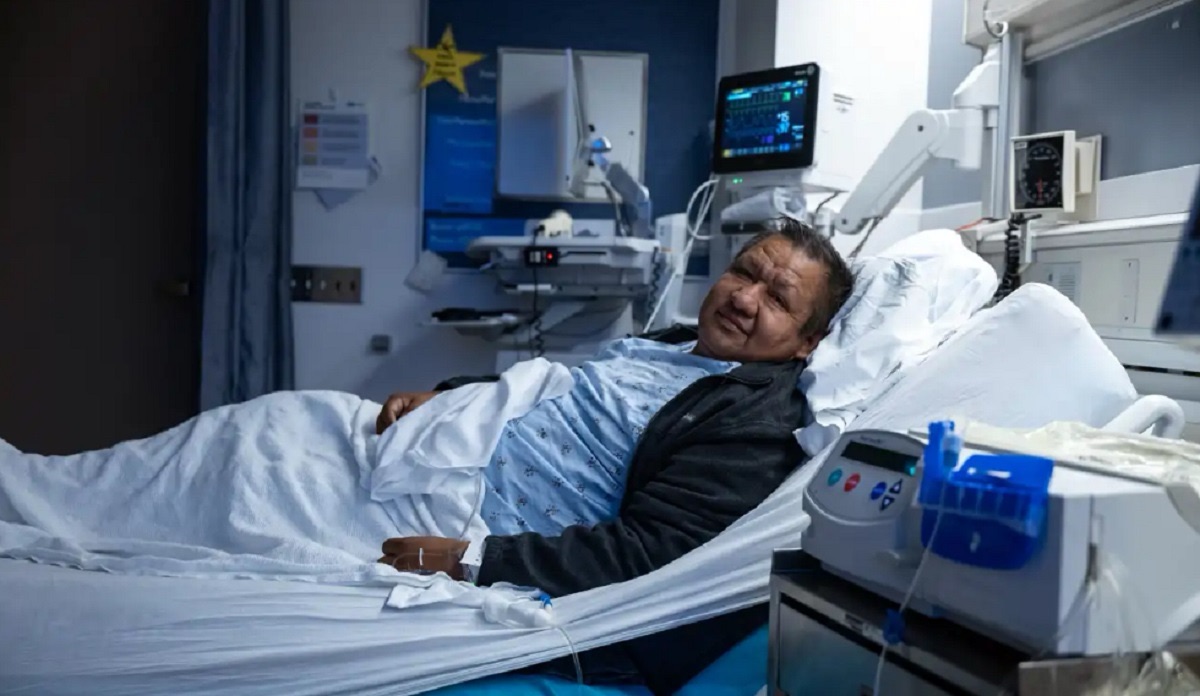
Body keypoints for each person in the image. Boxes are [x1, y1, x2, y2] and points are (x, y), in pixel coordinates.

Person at [374, 218, 854, 692]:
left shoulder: (753, 424)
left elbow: (648, 550)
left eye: (777, 299)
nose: (744, 298)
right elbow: (561, 388)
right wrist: (453, 396)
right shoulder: (673, 342)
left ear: (807, 343)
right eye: (744, 272)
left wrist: (474, 559)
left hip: (463, 527)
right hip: (438, 457)